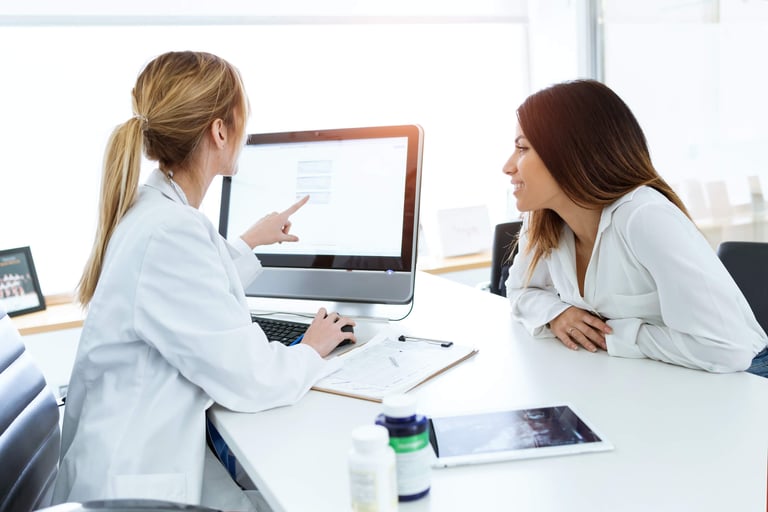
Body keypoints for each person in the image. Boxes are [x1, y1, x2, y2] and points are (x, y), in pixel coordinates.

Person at [52, 51, 357, 511]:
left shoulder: (153, 209)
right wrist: (311, 348)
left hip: (130, 461)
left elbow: (188, 298)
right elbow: (252, 378)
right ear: (219, 130)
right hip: (132, 490)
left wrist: (249, 241)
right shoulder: (170, 231)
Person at [502, 79, 768, 377]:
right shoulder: (545, 220)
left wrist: (614, 334)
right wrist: (556, 313)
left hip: (745, 378)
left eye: (522, 149)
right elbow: (519, 291)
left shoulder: (644, 217)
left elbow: (727, 350)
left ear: (570, 153)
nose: (508, 166)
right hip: (657, 373)